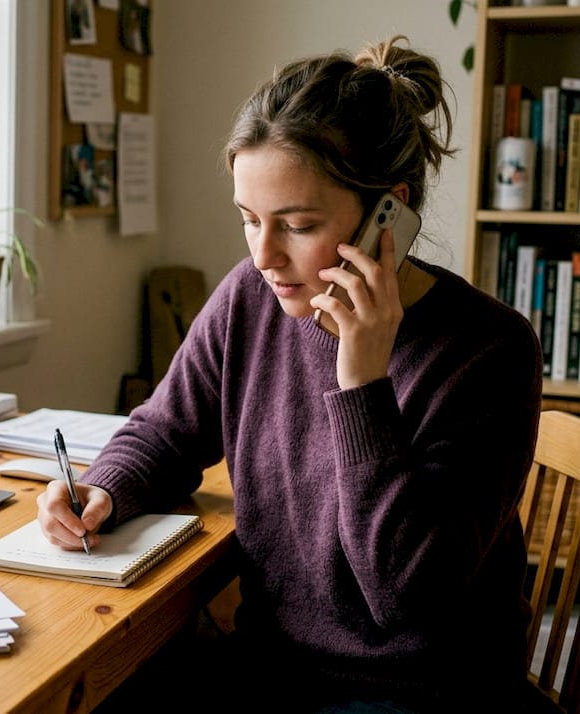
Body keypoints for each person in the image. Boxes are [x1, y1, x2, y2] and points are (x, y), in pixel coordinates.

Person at [37, 35, 543, 712]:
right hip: (273, 668)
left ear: (389, 212)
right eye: (250, 220)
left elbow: (403, 597)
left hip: (418, 693)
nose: (266, 256)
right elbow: (164, 430)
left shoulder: (490, 350)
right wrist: (101, 489)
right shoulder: (251, 298)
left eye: (298, 225)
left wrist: (362, 381)